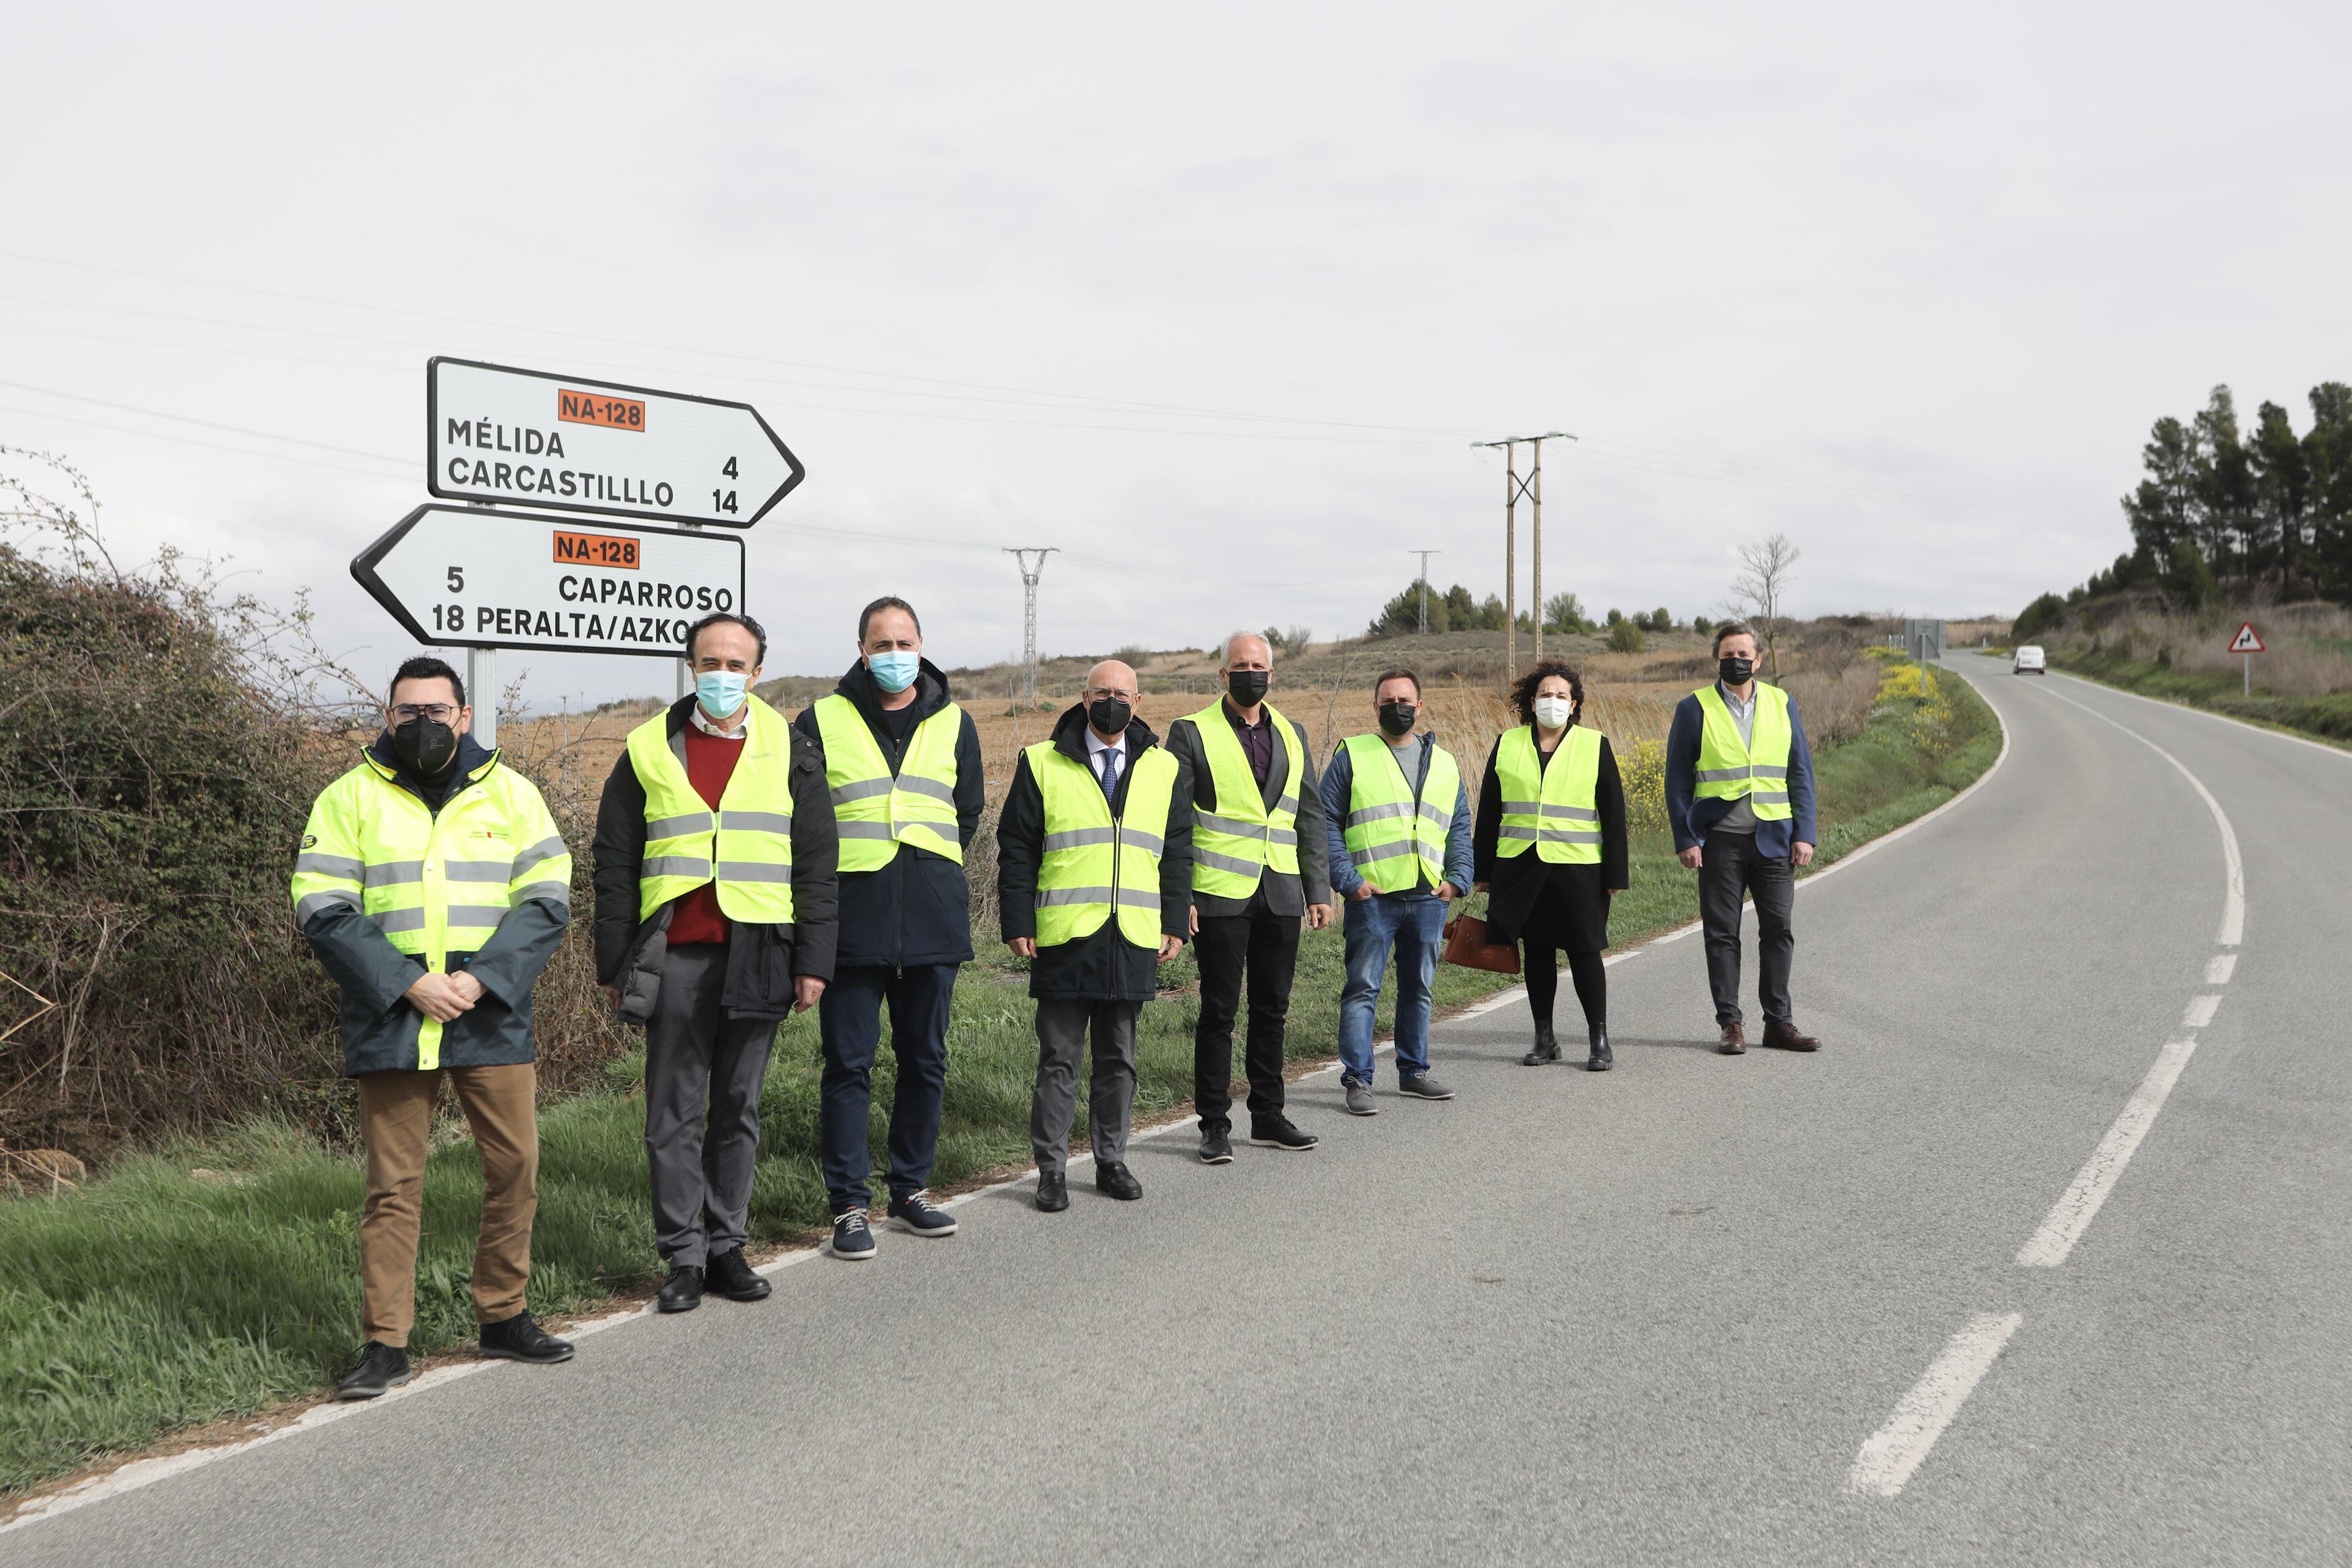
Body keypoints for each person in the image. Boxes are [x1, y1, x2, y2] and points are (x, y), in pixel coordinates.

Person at [291, 656, 575, 1399]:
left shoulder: (513, 794)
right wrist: (407, 982)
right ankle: (385, 1343)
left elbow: (546, 899)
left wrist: (479, 979)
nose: (423, 724)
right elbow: (322, 906)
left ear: (465, 716)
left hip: (490, 1010)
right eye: (408, 712)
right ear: (387, 718)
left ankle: (503, 1315)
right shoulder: (346, 797)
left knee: (515, 1167)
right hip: (392, 1014)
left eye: (437, 711)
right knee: (393, 1186)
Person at [593, 612, 838, 1313]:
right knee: (673, 1111)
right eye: (710, 663)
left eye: (736, 664)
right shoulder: (646, 749)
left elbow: (817, 865)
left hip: (759, 952)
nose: (722, 675)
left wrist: (813, 960)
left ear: (757, 672)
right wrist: (616, 957)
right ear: (690, 667)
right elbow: (613, 860)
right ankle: (683, 1255)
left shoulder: (788, 749)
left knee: (738, 1104)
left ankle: (727, 1244)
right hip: (673, 954)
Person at [793, 596, 984, 1261]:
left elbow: (965, 813)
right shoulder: (818, 720)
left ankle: (909, 1191)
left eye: (904, 643)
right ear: (860, 650)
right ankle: (849, 1207)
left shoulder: (956, 723)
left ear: (921, 645)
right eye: (881, 644)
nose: (894, 655)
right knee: (848, 1066)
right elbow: (804, 823)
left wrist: (924, 871)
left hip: (931, 918)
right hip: (850, 919)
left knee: (924, 1062)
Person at [995, 660, 1191, 1209]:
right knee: (1059, 1058)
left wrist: (1174, 921)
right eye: (1102, 692)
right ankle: (1052, 1171)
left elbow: (1177, 852)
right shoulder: (1041, 762)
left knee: (1119, 1058)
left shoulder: (1164, 767)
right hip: (1064, 935)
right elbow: (1017, 848)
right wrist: (1018, 921)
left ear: (1139, 699)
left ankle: (1111, 1161)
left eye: (1122, 693)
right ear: (1084, 698)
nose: (1112, 701)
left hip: (1132, 935)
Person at [1163, 631, 1334, 1166]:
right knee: (1218, 1012)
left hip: (1281, 891)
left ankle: (1268, 1116)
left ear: (1273, 674)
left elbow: (1309, 815)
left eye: (1259, 665)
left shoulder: (1292, 731)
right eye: (1241, 665)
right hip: (1217, 894)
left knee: (1272, 1011)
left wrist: (1318, 889)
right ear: (1223, 675)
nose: (1251, 672)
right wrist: (1180, 895)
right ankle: (1214, 1124)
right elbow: (1175, 823)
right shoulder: (1190, 733)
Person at [1320, 668, 1474, 1115]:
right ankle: (1358, 1080)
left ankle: (1414, 1072)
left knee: (1419, 987)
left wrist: (1458, 877)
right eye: (1388, 700)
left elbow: (1459, 824)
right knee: (1363, 988)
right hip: (1373, 896)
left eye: (1405, 700)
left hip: (1428, 895)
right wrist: (1347, 881)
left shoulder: (1444, 761)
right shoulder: (1353, 753)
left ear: (1420, 707)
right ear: (1375, 707)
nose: (1397, 707)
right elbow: (1326, 820)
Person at [1664, 621, 1822, 1055]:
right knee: (1722, 935)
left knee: (1779, 931)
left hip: (1774, 839)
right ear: (1717, 659)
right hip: (1719, 842)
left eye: (1744, 654)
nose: (1736, 661)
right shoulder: (1694, 708)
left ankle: (1779, 1023)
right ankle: (1730, 1024)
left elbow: (1799, 773)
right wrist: (1686, 838)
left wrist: (1804, 833)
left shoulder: (1782, 703)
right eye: (1727, 655)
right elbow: (1677, 780)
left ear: (1759, 659)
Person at [1472, 661, 1629, 1071]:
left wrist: (1615, 873)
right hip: (1520, 866)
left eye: (1561, 695)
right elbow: (1489, 811)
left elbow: (1613, 814)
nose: (1553, 701)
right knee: (1537, 951)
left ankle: (1599, 1039)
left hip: (1578, 868)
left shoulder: (1594, 744)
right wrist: (1482, 870)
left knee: (1585, 951)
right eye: (1546, 694)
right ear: (1531, 700)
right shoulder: (1507, 743)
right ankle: (1544, 1037)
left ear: (1574, 704)